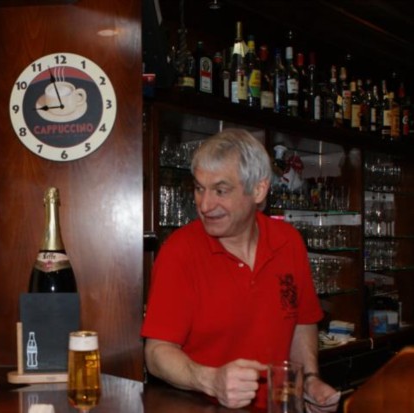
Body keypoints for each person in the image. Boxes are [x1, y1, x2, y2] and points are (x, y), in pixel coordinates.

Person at [141, 129, 340, 412]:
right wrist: (212, 380)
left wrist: (309, 379)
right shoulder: (180, 251)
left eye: (220, 191)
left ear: (258, 190)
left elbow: (302, 322)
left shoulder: (289, 242)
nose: (205, 205)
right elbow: (156, 353)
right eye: (199, 188)